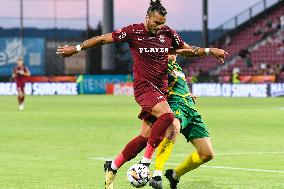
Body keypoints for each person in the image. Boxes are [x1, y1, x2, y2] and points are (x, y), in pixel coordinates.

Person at [56, 1, 227, 189]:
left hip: (160, 94)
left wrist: (210, 51)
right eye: (156, 22)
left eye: (162, 23)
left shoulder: (167, 34)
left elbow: (188, 50)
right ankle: (145, 164)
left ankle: (112, 167)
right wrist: (77, 49)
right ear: (147, 17)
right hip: (144, 89)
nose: (159, 27)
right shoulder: (133, 32)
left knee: (144, 137)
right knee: (168, 117)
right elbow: (104, 39)